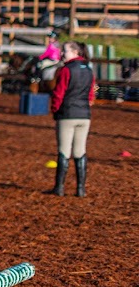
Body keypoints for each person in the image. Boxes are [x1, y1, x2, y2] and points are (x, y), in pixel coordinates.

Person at [48, 41, 96, 197]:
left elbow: (58, 93)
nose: (62, 54)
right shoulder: (89, 70)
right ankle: (81, 189)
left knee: (63, 151)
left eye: (65, 51)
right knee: (80, 151)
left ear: (75, 52)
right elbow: (90, 96)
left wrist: (55, 110)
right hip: (84, 116)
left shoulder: (66, 70)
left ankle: (59, 188)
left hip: (67, 114)